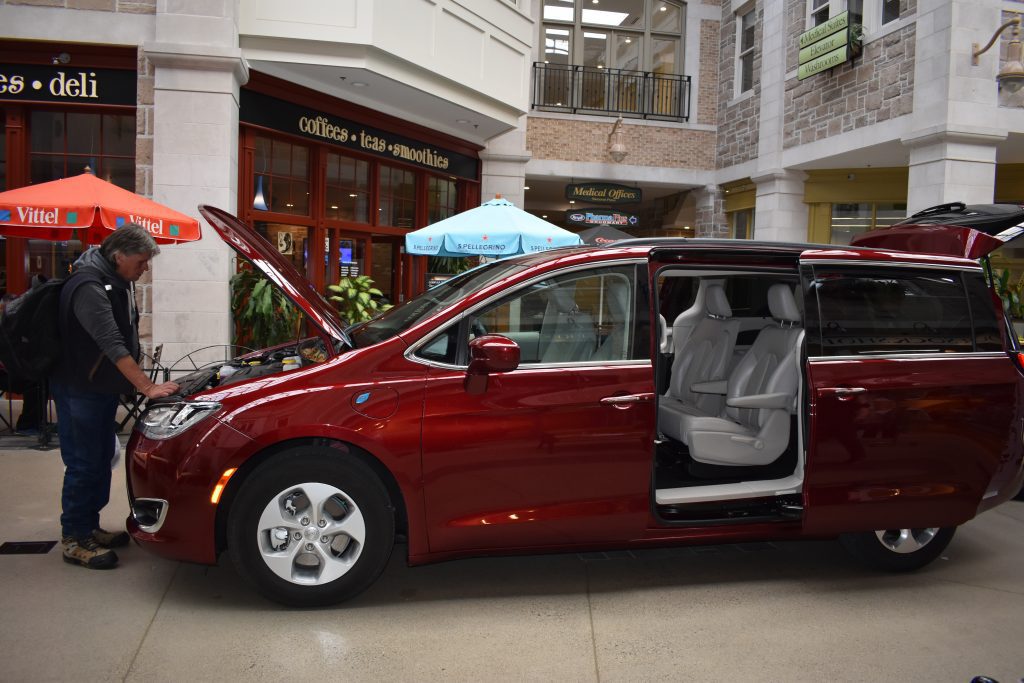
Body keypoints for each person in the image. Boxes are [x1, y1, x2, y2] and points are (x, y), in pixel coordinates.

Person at [51, 224, 179, 570]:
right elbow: (110, 343)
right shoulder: (89, 285)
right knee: (84, 463)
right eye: (141, 261)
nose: (145, 268)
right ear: (118, 255)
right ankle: (75, 538)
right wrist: (147, 387)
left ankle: (88, 526)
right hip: (81, 390)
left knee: (101, 456)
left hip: (98, 389)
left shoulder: (115, 280)